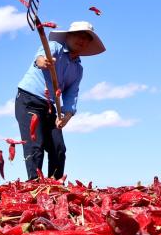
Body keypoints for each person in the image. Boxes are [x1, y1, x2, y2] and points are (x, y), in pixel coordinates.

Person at [15, 20, 106, 180]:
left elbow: (71, 93)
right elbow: (40, 57)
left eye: (86, 38)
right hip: (29, 100)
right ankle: (34, 186)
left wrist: (67, 115)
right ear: (69, 36)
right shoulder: (55, 47)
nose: (81, 40)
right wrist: (43, 62)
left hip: (51, 106)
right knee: (35, 145)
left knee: (58, 149)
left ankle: (54, 186)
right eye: (78, 35)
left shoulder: (78, 69)